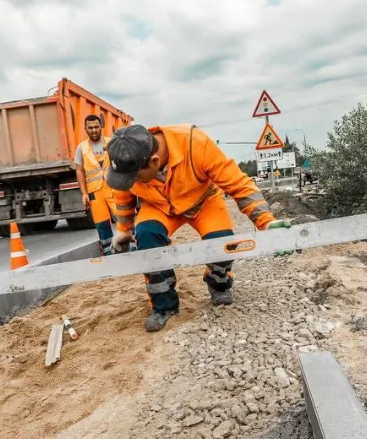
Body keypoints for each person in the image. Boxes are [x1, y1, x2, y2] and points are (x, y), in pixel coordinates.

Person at [106, 123, 278, 332]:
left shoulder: (195, 143)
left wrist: (266, 222)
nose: (131, 181)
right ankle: (164, 306)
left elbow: (239, 184)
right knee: (147, 238)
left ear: (154, 161)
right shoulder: (129, 160)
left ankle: (218, 283)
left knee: (223, 243)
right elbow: (123, 195)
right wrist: (124, 230)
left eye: (134, 177)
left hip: (203, 202)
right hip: (159, 206)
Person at [74, 114, 118, 255]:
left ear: (101, 127)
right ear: (85, 129)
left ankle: (132, 246)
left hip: (113, 189)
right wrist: (84, 194)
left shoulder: (111, 143)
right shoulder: (81, 148)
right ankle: (108, 252)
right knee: (102, 223)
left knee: (123, 218)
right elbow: (79, 171)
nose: (94, 130)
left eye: (96, 127)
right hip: (95, 193)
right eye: (90, 127)